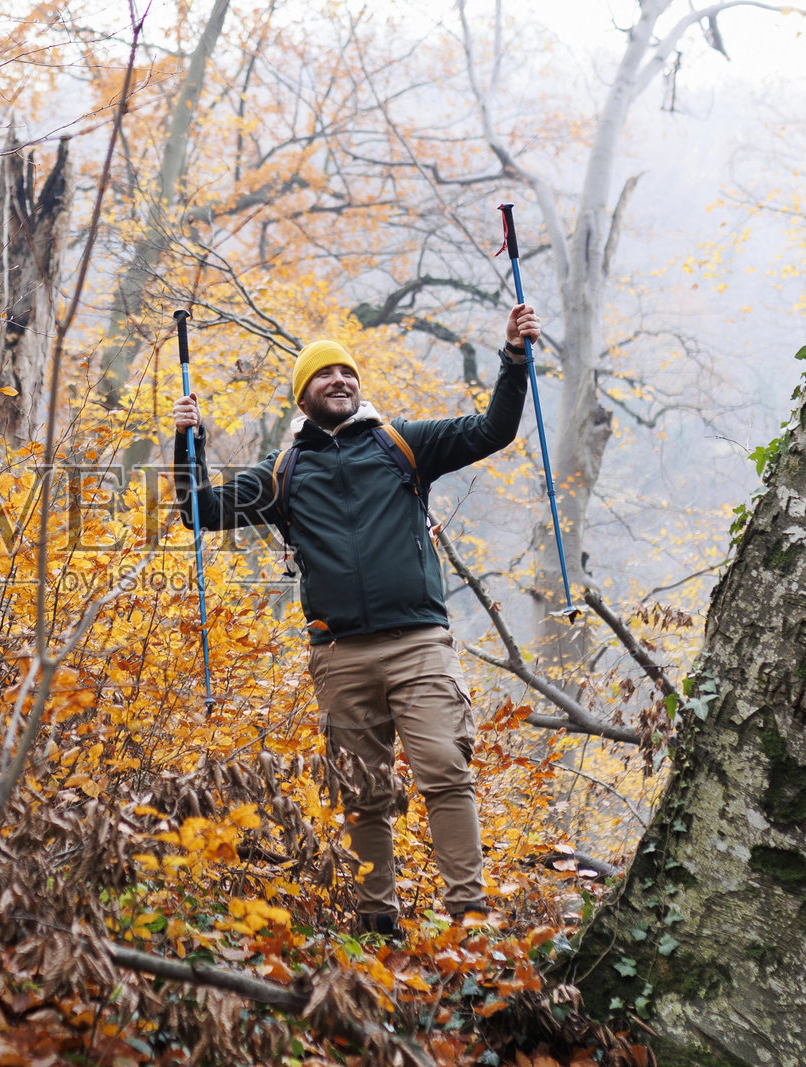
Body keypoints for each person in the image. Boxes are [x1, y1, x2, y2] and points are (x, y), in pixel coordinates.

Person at [172, 304, 540, 933]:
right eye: (325, 375)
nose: (339, 380)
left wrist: (513, 359)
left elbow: (492, 431)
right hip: (339, 654)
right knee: (363, 796)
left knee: (445, 771)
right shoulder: (283, 473)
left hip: (419, 643)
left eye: (347, 372)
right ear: (303, 395)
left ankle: (470, 920)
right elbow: (200, 510)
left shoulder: (404, 444)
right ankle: (377, 923)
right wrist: (190, 442)